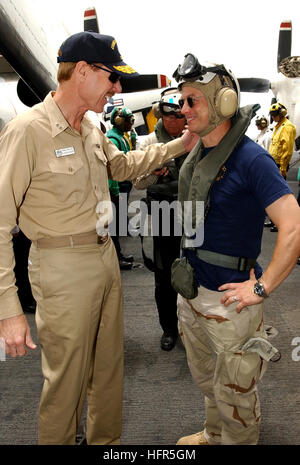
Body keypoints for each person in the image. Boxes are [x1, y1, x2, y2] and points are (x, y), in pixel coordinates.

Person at [0, 31, 195, 445]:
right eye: (112, 78)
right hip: (61, 268)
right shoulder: (27, 132)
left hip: (105, 258)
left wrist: (181, 143)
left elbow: (123, 166)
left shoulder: (90, 126)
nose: (117, 88)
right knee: (66, 382)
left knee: (108, 370)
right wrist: (9, 309)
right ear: (83, 72)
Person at [171, 53, 300, 445]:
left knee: (237, 396)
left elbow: (292, 225)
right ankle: (213, 434)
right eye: (182, 100)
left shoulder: (251, 158)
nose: (183, 108)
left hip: (231, 303)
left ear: (223, 102)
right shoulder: (198, 153)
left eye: (192, 100)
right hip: (194, 294)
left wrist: (260, 288)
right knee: (211, 382)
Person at [134, 88, 193, 351]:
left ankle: (192, 327)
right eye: (169, 116)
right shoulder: (147, 142)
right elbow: (137, 183)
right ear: (161, 115)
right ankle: (169, 329)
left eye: (180, 116)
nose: (174, 121)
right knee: (164, 275)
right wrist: (153, 173)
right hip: (162, 213)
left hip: (192, 211)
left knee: (195, 270)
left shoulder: (195, 138)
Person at [107, 107, 136, 270]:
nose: (131, 124)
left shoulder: (121, 137)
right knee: (114, 227)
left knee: (118, 225)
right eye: (129, 121)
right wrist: (115, 190)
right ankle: (115, 259)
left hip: (123, 186)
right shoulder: (113, 139)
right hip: (117, 188)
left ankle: (119, 255)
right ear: (119, 121)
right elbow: (112, 168)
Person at [266, 103, 296, 232]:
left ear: (281, 114)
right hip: (274, 164)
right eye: (272, 116)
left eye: (275, 115)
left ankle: (280, 223)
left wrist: (283, 168)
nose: (273, 118)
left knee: (279, 196)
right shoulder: (278, 127)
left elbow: (287, 150)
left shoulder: (287, 127)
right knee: (273, 195)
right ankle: (274, 220)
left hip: (280, 166)